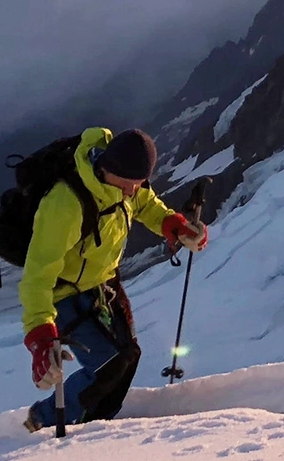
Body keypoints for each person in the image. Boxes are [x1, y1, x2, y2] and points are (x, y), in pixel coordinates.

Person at [19, 127, 206, 430]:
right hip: (65, 294)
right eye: (129, 183)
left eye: (139, 182)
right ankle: (46, 419)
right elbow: (37, 274)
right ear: (107, 169)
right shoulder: (64, 205)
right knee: (108, 364)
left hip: (104, 284)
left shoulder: (123, 181)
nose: (134, 190)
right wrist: (41, 335)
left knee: (128, 356)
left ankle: (99, 425)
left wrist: (174, 224)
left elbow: (145, 203)